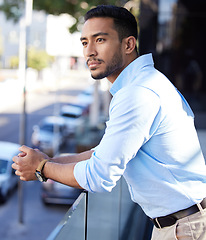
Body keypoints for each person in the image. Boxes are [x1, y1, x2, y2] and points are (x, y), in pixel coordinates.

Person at [12, 5, 206, 240]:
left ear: (128, 44)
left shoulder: (138, 93)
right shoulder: (143, 82)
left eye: (100, 40)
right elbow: (102, 153)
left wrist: (41, 168)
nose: (89, 52)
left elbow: (99, 176)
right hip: (181, 223)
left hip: (186, 229)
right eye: (84, 43)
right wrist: (49, 160)